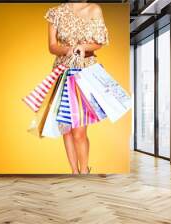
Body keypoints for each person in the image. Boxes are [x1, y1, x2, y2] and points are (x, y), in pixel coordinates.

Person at [45, 3, 109, 174]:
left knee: (79, 129)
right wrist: (69, 50)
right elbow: (52, 46)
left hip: (86, 71)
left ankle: (85, 171)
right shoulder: (55, 12)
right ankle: (74, 172)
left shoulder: (94, 9)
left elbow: (99, 42)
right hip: (63, 69)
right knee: (66, 128)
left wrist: (83, 48)